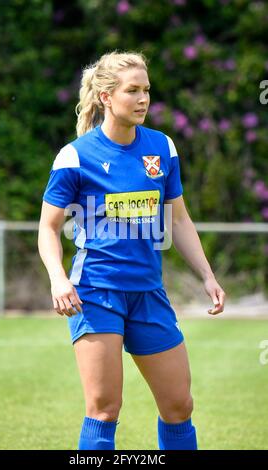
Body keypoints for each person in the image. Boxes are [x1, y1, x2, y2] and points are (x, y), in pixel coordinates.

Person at [38, 50, 225, 450]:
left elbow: (178, 220)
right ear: (106, 96)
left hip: (148, 293)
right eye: (132, 91)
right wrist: (57, 279)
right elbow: (48, 229)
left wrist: (207, 274)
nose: (143, 99)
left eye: (147, 91)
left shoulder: (162, 148)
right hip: (96, 293)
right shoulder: (76, 156)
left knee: (179, 405)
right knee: (104, 409)